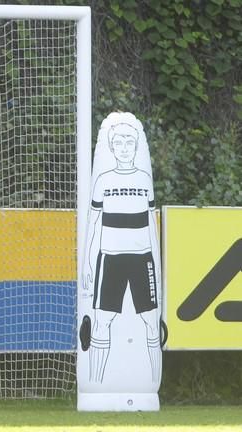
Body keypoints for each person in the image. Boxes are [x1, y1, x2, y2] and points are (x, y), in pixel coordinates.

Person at [82, 122, 161, 383]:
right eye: (119, 143)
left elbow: (150, 223)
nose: (124, 148)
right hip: (111, 258)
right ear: (112, 148)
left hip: (142, 259)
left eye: (129, 143)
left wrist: (156, 267)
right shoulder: (103, 180)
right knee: (103, 321)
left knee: (151, 321)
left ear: (136, 147)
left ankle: (152, 382)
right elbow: (94, 223)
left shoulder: (144, 180)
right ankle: (96, 384)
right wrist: (88, 264)